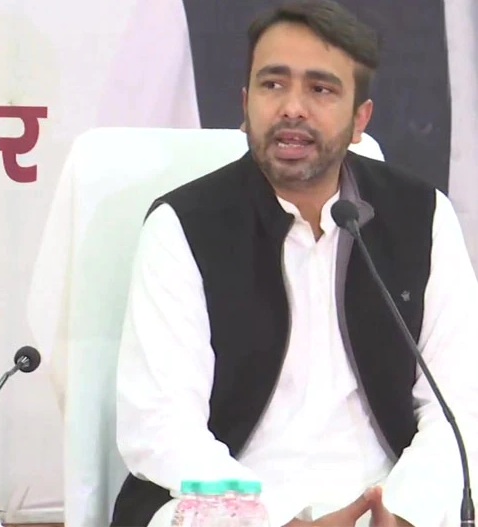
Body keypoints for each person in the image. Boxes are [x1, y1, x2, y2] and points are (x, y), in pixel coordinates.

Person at [112, 1, 478, 527]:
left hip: (387, 499)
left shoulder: (422, 216)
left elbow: (457, 405)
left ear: (360, 119)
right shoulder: (183, 225)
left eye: (321, 89)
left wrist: (402, 512)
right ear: (245, 104)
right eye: (273, 84)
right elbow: (161, 426)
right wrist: (278, 520)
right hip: (236, 506)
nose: (292, 108)